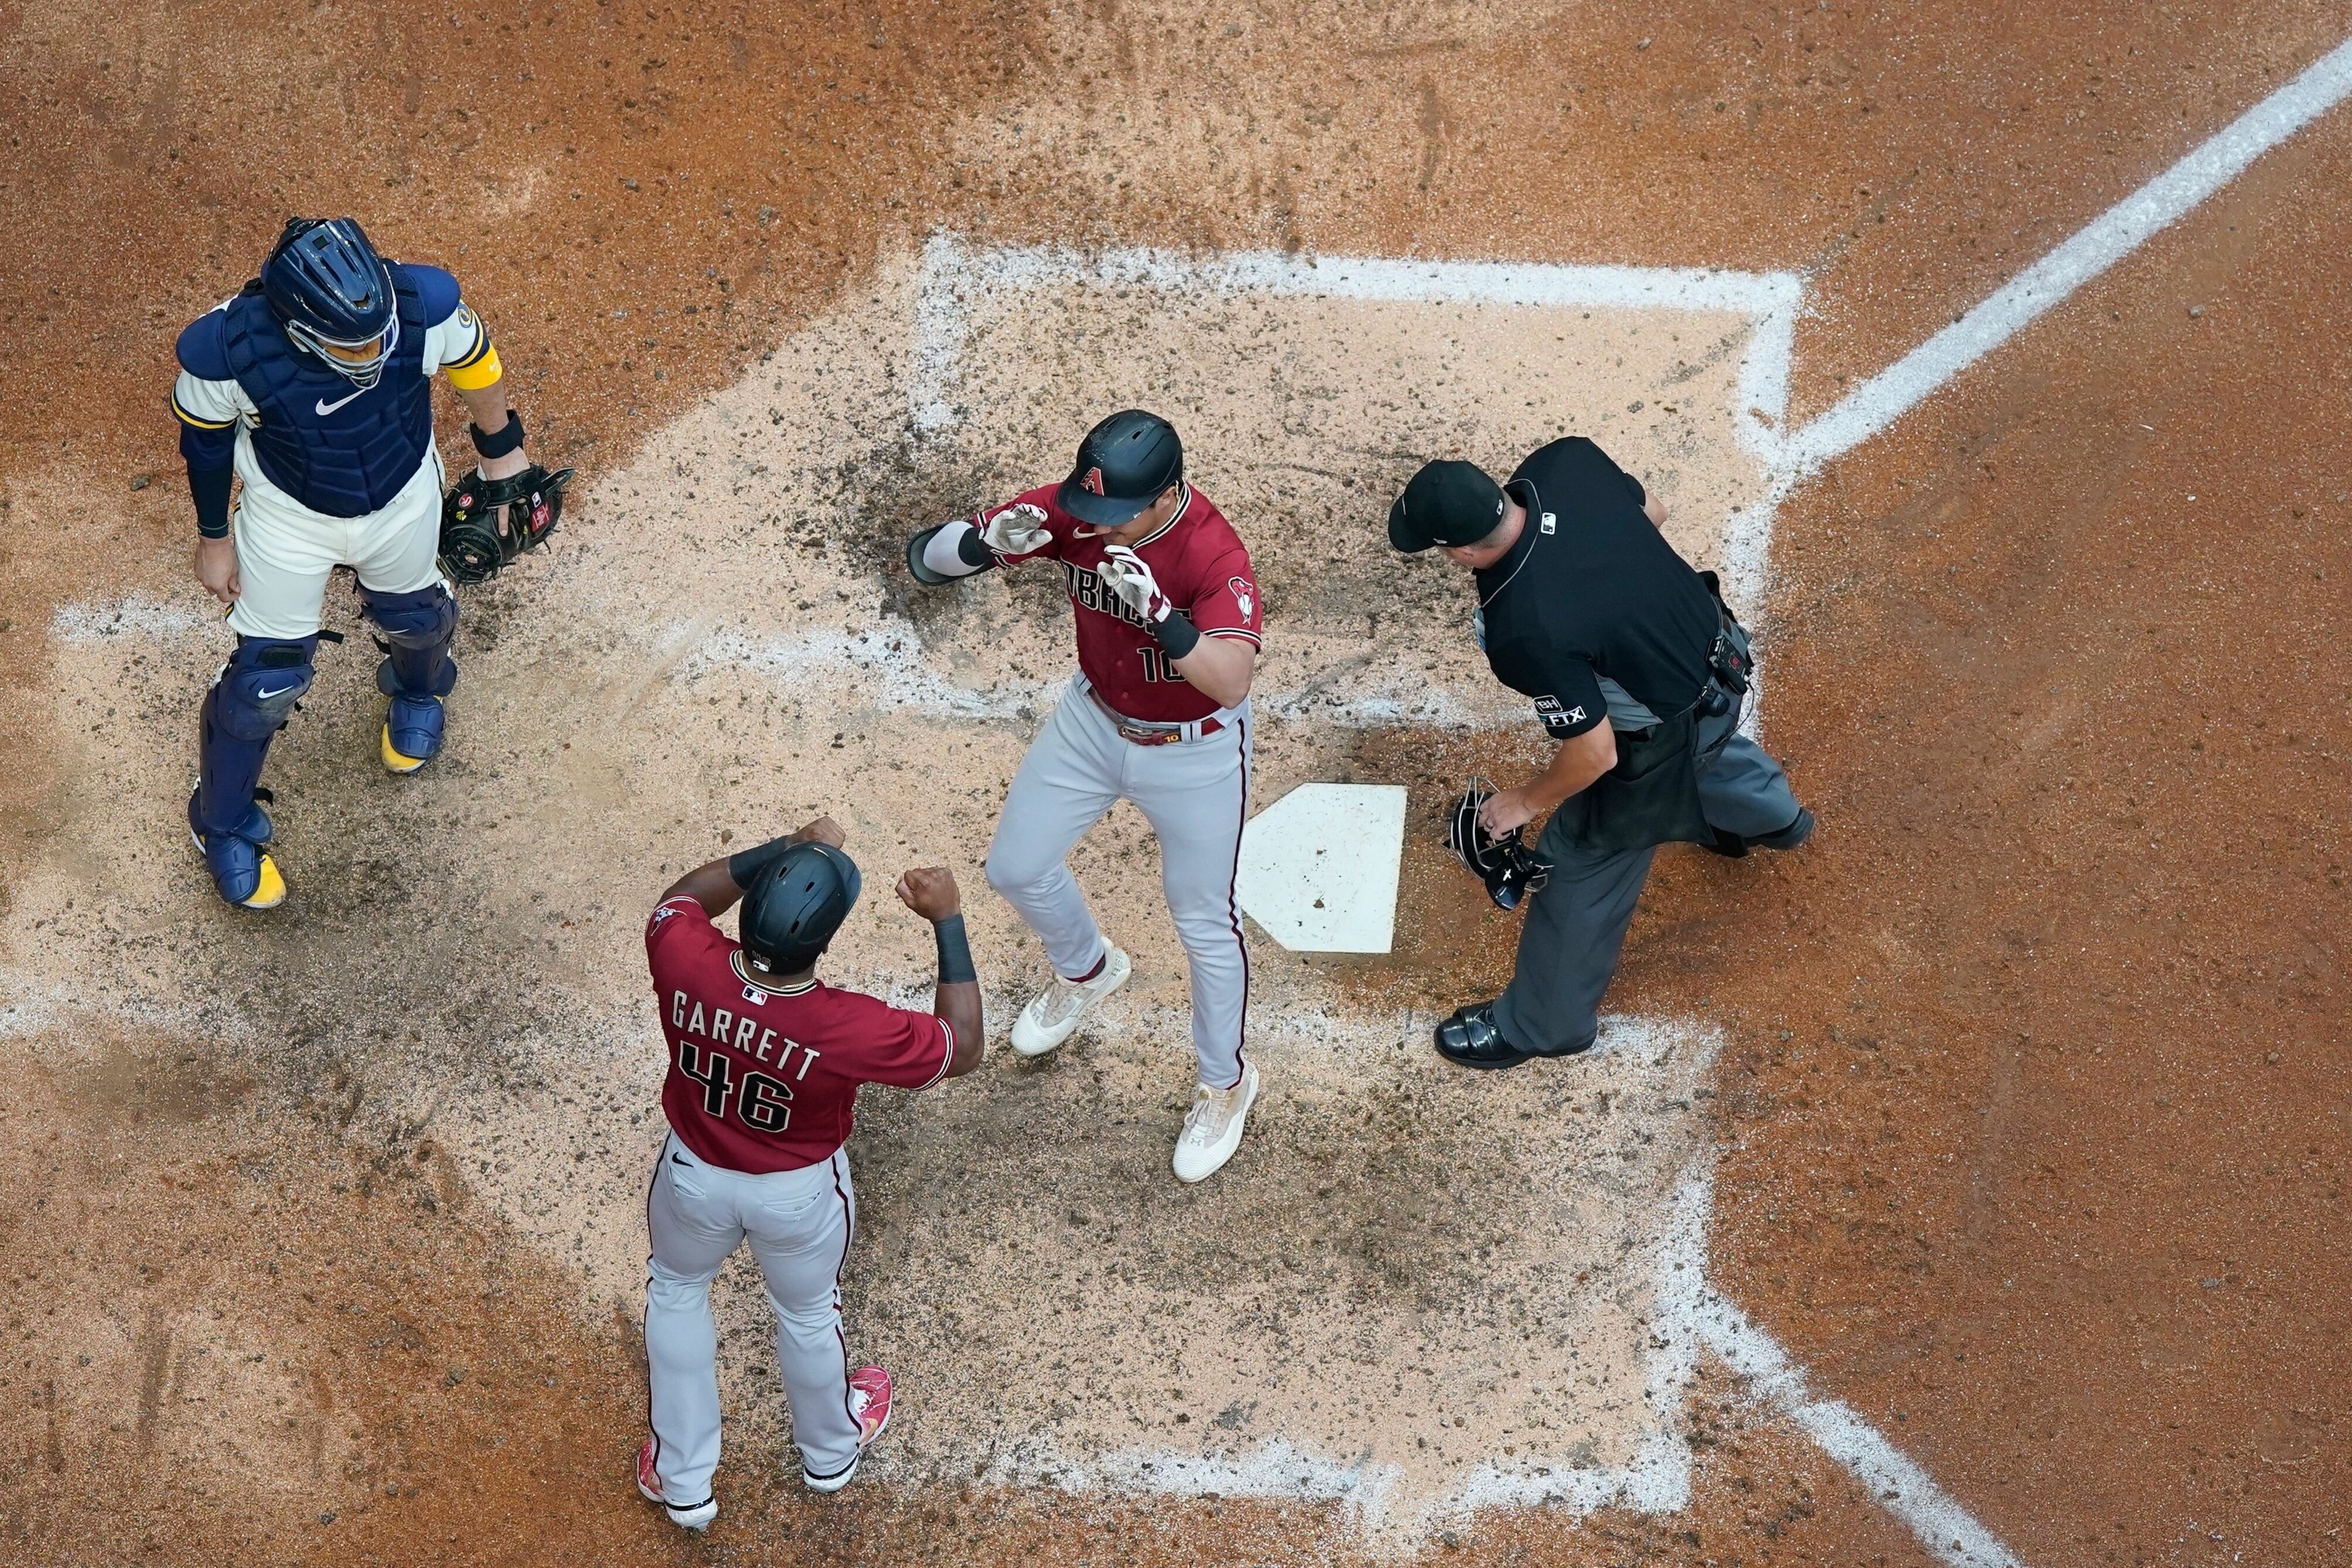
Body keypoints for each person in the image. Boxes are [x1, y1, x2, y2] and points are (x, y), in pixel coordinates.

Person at [903, 410, 1266, 1183]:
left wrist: (1162, 617)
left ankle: (1226, 1085)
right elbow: (924, 561)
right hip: (1092, 724)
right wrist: (980, 546)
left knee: (1204, 923)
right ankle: (1086, 970)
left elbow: (1231, 681)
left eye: (1117, 514)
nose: (1096, 526)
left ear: (1165, 496)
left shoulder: (1212, 553)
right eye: (1091, 509)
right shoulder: (1077, 509)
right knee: (1014, 868)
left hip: (1194, 754)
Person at [170, 216, 563, 908]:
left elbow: (477, 362)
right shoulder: (225, 352)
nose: (375, 350)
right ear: (297, 328)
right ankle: (221, 822)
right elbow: (205, 445)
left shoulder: (419, 305)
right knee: (265, 682)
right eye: (352, 343)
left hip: (402, 497)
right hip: (289, 518)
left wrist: (503, 451)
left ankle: (419, 691)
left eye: (380, 333)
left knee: (421, 620)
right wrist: (213, 538)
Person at [1388, 439, 1815, 1069]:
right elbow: (1653, 513)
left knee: (1581, 854)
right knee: (1700, 745)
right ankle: (1776, 818)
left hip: (1673, 728)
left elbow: (1594, 755)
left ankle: (1543, 1026)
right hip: (1721, 654)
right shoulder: (1565, 465)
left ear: (1463, 553)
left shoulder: (1523, 625)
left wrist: (1522, 803)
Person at [634, 816, 984, 1529]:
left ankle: (683, 1481)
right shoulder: (848, 1026)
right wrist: (948, 920)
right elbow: (964, 1045)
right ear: (825, 941)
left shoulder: (683, 956)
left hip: (692, 1175)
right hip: (796, 1197)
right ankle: (829, 1456)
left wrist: (783, 850)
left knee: (676, 1291)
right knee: (807, 1313)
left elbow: (682, 899)